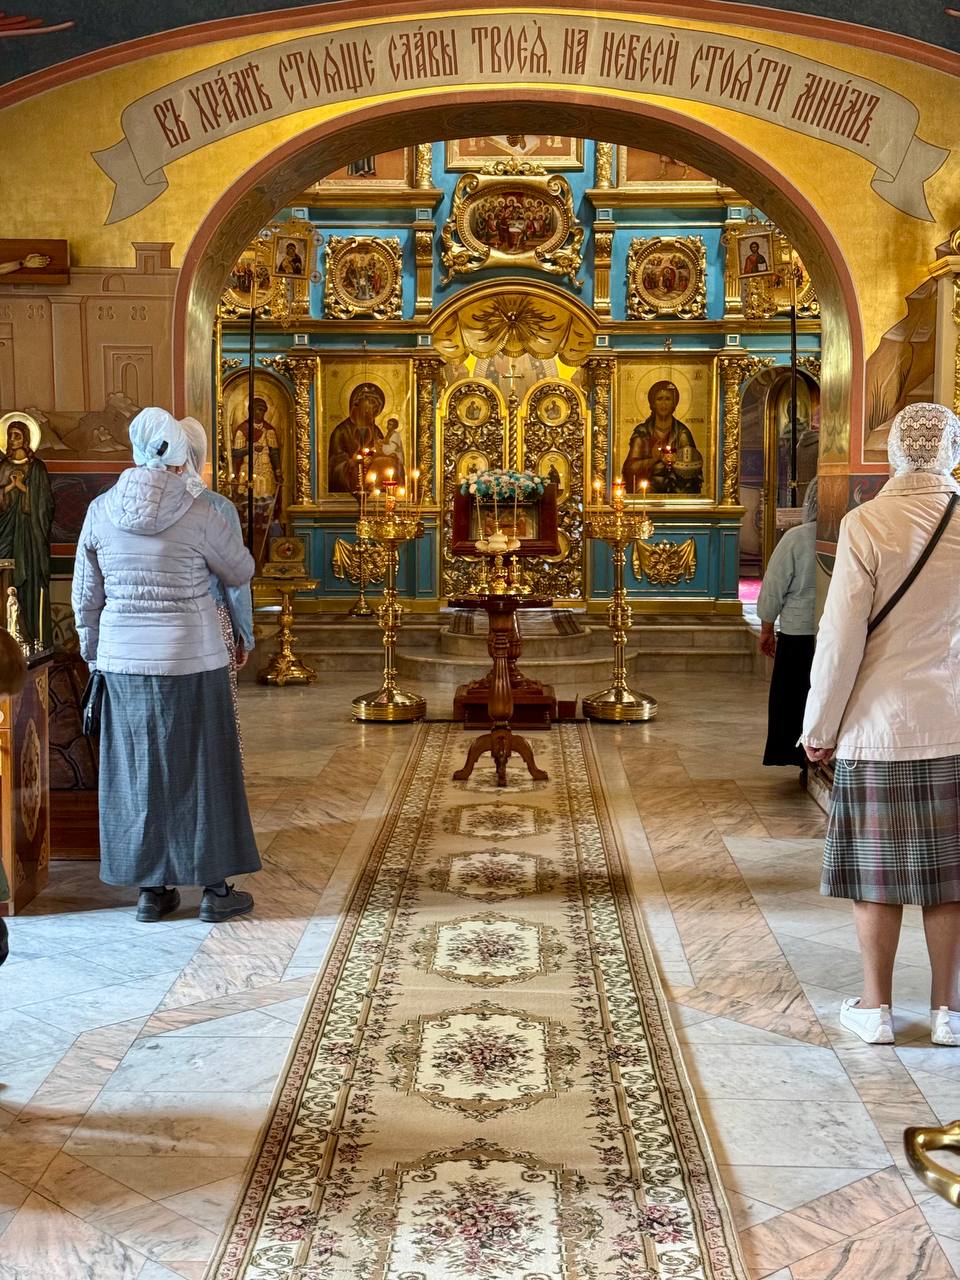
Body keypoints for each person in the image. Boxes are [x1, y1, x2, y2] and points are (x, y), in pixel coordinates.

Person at [802, 402, 960, 1046]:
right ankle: (949, 1012)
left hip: (878, 726)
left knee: (877, 876)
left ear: (894, 450)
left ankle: (876, 1009)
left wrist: (819, 727)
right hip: (953, 721)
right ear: (951, 450)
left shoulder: (865, 523)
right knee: (951, 880)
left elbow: (840, 639)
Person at [72, 407, 260, 924]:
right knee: (204, 768)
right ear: (180, 460)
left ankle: (152, 892)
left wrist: (93, 655)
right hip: (192, 656)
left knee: (138, 772)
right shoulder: (201, 512)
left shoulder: (99, 510)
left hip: (123, 661)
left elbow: (86, 597)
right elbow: (240, 569)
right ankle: (215, 890)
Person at [180, 416, 254, 751]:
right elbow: (235, 581)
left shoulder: (145, 505)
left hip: (159, 627)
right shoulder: (219, 507)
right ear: (199, 455)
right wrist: (244, 635)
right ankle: (217, 776)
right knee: (215, 712)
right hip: (212, 621)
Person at [757, 479, 818, 778]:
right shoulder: (850, 533)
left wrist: (766, 628)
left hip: (798, 633)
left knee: (793, 697)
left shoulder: (797, 538)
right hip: (835, 633)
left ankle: (796, 755)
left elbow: (774, 586)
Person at [0, 418, 54, 646]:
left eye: (17, 435)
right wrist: (9, 488)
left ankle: (33, 639)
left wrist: (24, 489)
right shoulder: (2, 467)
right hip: (6, 535)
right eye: (9, 435)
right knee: (5, 579)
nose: (12, 440)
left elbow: (46, 504)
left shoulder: (37, 468)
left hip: (31, 538)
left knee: (30, 582)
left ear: (26, 439)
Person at [621, 381, 703, 495]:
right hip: (647, 488)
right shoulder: (643, 432)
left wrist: (677, 461)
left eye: (668, 399)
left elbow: (693, 467)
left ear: (674, 403)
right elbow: (630, 468)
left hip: (677, 486)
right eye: (659, 399)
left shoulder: (682, 432)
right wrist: (654, 459)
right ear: (653, 403)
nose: (663, 404)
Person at [327, 382, 401, 492]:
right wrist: (352, 461)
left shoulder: (375, 431)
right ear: (357, 402)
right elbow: (334, 467)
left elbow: (381, 452)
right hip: (350, 484)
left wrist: (375, 458)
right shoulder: (341, 431)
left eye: (377, 406)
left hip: (372, 484)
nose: (374, 408)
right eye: (371, 402)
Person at [231, 397, 282, 499]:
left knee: (266, 500)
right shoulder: (243, 429)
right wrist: (251, 449)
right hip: (248, 470)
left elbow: (274, 453)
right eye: (259, 409)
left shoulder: (269, 430)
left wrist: (278, 472)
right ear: (251, 410)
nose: (261, 413)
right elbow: (236, 454)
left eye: (263, 410)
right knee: (247, 499)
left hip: (265, 471)